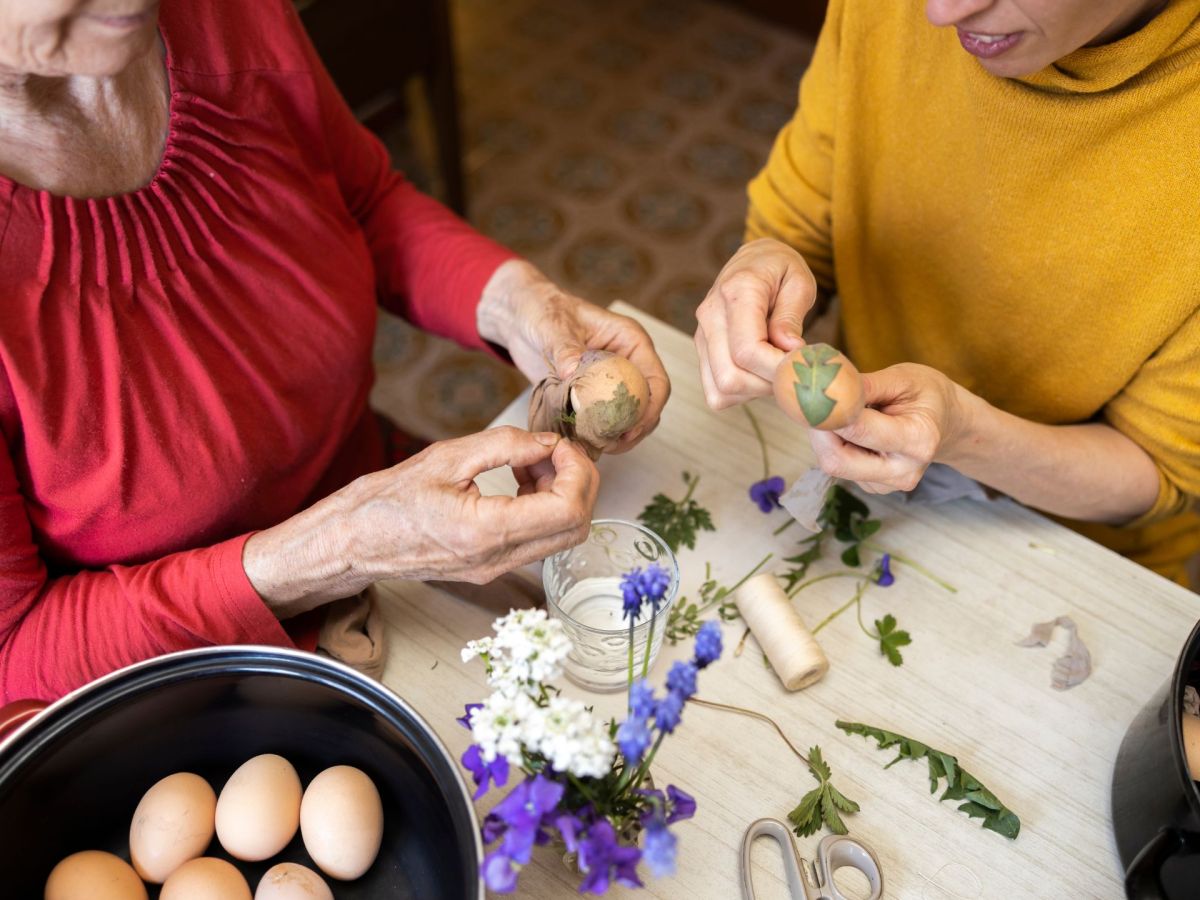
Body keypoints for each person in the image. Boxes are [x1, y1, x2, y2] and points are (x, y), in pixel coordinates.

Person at [0, 0, 669, 702]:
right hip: (189, 681)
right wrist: (345, 546)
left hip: (392, 512)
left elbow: (362, 197)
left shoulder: (220, 14)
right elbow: (16, 654)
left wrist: (522, 304)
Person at [696, 0, 1200, 586]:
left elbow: (1161, 473)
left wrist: (960, 431)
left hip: (1070, 550)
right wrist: (767, 261)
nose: (939, 13)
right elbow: (803, 216)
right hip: (871, 494)